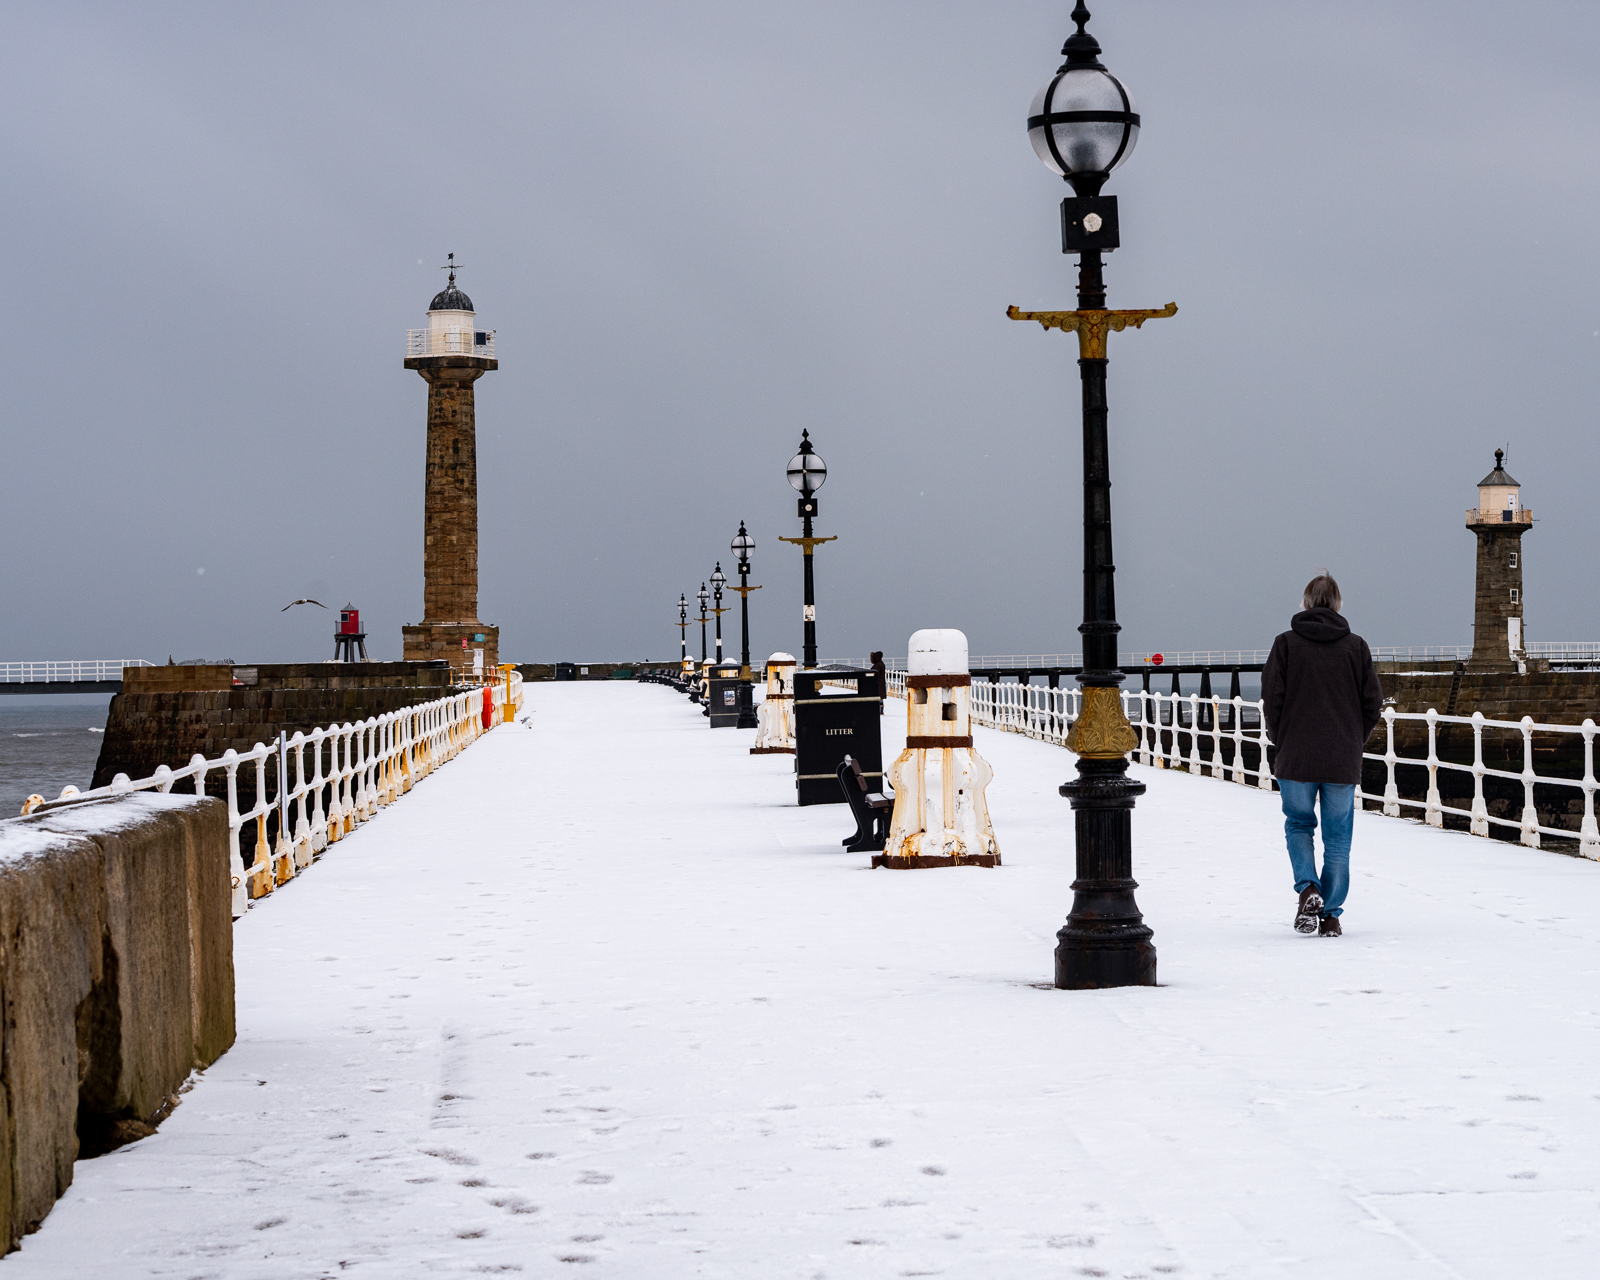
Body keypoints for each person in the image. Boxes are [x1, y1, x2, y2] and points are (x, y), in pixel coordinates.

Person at [1261, 573, 1382, 938]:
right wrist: (1352, 739)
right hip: (1341, 760)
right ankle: (1330, 915)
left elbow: (1273, 700)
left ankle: (1308, 889)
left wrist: (1280, 739)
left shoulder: (1284, 644)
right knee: (1338, 839)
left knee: (1299, 824)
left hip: (1296, 756)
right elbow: (1372, 704)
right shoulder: (1356, 647)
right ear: (1338, 604)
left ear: (1306, 602)